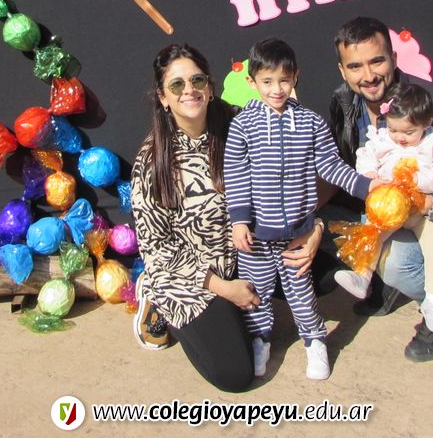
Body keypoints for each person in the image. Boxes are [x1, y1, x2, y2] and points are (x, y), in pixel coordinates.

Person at [130, 43, 323, 392]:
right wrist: (225, 289)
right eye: (176, 84)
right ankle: (155, 300)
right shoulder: (152, 160)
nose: (189, 90)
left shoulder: (243, 123)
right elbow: (156, 247)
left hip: (253, 252)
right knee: (235, 374)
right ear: (162, 96)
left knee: (322, 274)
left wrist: (315, 229)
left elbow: (302, 168)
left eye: (197, 80)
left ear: (210, 85)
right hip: (192, 275)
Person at [319, 16, 433, 363]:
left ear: (394, 59)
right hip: (380, 211)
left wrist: (430, 204)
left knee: (397, 263)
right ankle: (383, 284)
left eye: (377, 61)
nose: (368, 75)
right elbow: (337, 172)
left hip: (430, 218)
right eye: (355, 66)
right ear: (342, 70)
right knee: (318, 222)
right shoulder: (343, 103)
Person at [224, 38, 382, 381]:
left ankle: (315, 341)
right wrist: (238, 221)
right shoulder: (242, 126)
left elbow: (331, 166)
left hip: (297, 234)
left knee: (302, 295)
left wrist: (368, 188)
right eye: (267, 81)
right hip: (255, 237)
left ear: (295, 77)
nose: (276, 89)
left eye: (284, 80)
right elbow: (235, 176)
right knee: (256, 294)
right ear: (252, 82)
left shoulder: (311, 123)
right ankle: (260, 340)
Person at [334, 82, 433, 339]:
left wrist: (418, 179)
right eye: (393, 129)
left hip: (422, 210)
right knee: (372, 233)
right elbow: (365, 154)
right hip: (391, 207)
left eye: (409, 132)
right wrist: (368, 172)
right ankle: (362, 276)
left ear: (427, 123)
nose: (400, 137)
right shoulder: (382, 139)